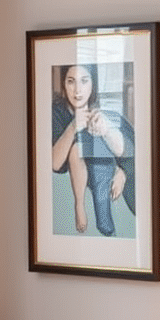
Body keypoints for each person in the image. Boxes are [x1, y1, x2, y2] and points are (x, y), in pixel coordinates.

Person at [51, 62, 136, 236]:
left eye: (84, 81)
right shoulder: (55, 112)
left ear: (93, 83)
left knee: (112, 133)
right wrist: (74, 126)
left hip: (108, 164)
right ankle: (82, 207)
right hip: (84, 169)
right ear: (63, 83)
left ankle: (106, 218)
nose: (77, 90)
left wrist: (123, 172)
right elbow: (54, 163)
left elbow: (133, 148)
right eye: (71, 81)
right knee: (78, 149)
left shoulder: (104, 111)